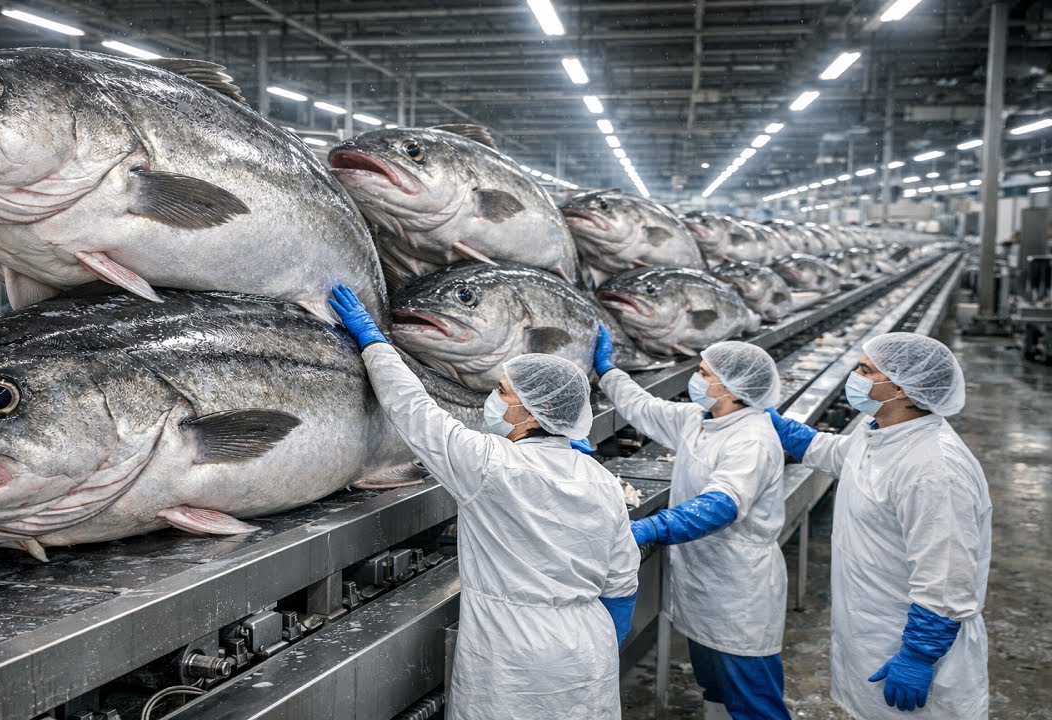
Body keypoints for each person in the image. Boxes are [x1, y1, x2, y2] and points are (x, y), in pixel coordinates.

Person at [329, 286, 640, 720]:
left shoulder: (490, 465)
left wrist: (374, 342)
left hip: (512, 658)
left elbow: (414, 411)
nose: (495, 399)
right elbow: (623, 582)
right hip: (587, 651)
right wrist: (612, 633)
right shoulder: (602, 481)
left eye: (505, 393)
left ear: (533, 414)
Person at [768, 332, 990, 719]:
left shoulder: (934, 469)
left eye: (866, 370)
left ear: (903, 389)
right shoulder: (881, 433)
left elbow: (947, 578)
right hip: (872, 630)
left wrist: (919, 655)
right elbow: (837, 453)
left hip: (913, 651)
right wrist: (776, 424)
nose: (853, 376)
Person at [594, 326, 790, 720]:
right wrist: (606, 369)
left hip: (739, 595)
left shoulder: (751, 438)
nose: (695, 379)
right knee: (714, 689)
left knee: (754, 702)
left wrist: (651, 527)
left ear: (733, 389)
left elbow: (720, 505)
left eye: (704, 373)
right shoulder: (698, 420)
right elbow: (643, 407)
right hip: (703, 585)